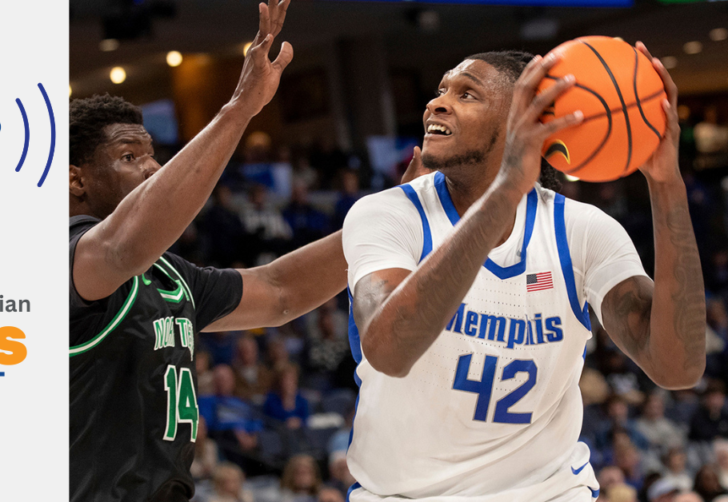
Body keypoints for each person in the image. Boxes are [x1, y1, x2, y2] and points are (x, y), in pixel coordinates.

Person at [343, 45, 705, 501]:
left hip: (550, 491)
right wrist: (508, 189)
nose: (437, 102)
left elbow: (677, 368)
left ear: (525, 119)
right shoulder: (387, 214)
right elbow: (389, 350)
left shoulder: (582, 230)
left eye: (467, 94)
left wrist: (667, 184)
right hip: (401, 494)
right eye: (441, 90)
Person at [68, 2, 348, 501]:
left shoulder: (167, 275)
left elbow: (280, 291)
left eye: (153, 153)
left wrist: (391, 218)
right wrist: (239, 108)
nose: (152, 168)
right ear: (75, 179)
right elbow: (123, 243)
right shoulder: (64, 256)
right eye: (130, 157)